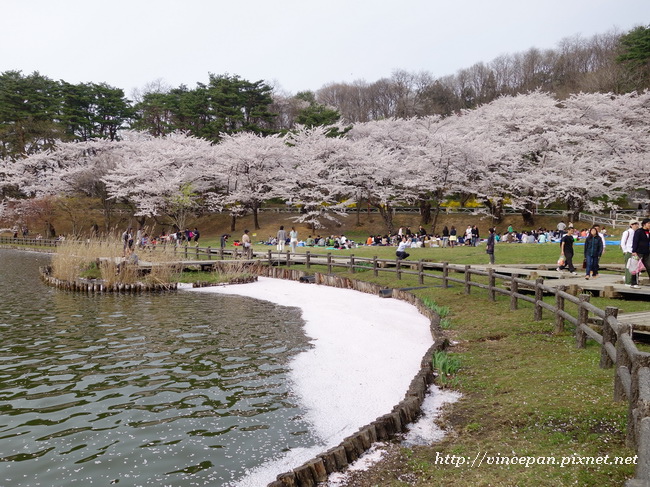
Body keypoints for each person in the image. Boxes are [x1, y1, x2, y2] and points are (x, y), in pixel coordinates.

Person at [621, 220, 640, 287]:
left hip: (635, 252)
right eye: (634, 224)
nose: (636, 225)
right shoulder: (627, 232)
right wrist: (625, 251)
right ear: (631, 225)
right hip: (628, 251)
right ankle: (628, 281)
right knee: (628, 267)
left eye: (637, 224)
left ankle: (633, 281)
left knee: (635, 267)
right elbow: (623, 242)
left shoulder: (637, 232)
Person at [632, 218, 650, 285]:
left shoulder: (648, 231)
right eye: (648, 223)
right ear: (644, 224)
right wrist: (634, 251)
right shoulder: (639, 231)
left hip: (647, 252)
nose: (649, 225)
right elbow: (635, 241)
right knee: (637, 268)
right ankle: (634, 283)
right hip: (639, 252)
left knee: (649, 266)